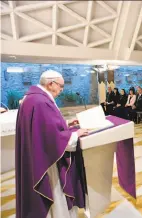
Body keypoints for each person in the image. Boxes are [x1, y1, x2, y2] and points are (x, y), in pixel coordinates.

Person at [15, 70, 89, 218]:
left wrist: (66, 123)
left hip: (36, 155)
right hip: (46, 162)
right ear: (50, 84)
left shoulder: (33, 98)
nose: (62, 90)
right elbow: (51, 139)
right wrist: (75, 134)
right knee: (55, 196)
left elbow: (42, 127)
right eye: (60, 86)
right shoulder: (41, 101)